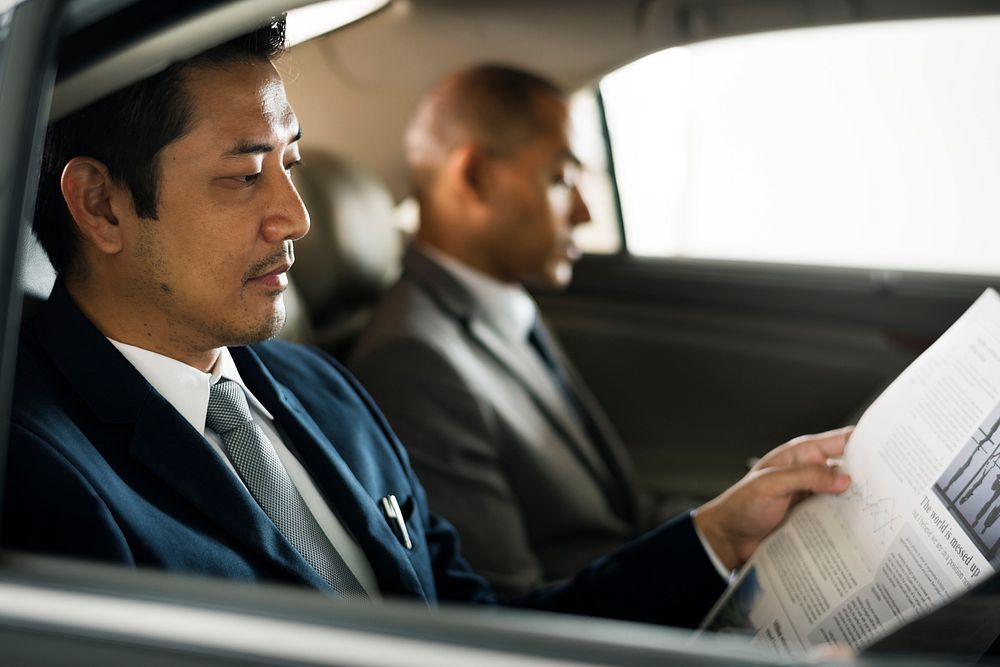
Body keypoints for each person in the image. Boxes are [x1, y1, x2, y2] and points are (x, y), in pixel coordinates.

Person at [2, 19, 851, 630]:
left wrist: (716, 534)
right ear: (100, 204)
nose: (295, 217)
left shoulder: (322, 390)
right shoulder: (37, 474)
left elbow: (479, 629)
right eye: (244, 176)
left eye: (290, 164)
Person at [351, 64, 768, 594]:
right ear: (474, 176)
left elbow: (618, 516)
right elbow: (507, 608)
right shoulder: (413, 361)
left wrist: (737, 519)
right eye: (561, 179)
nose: (586, 211)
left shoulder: (502, 303)